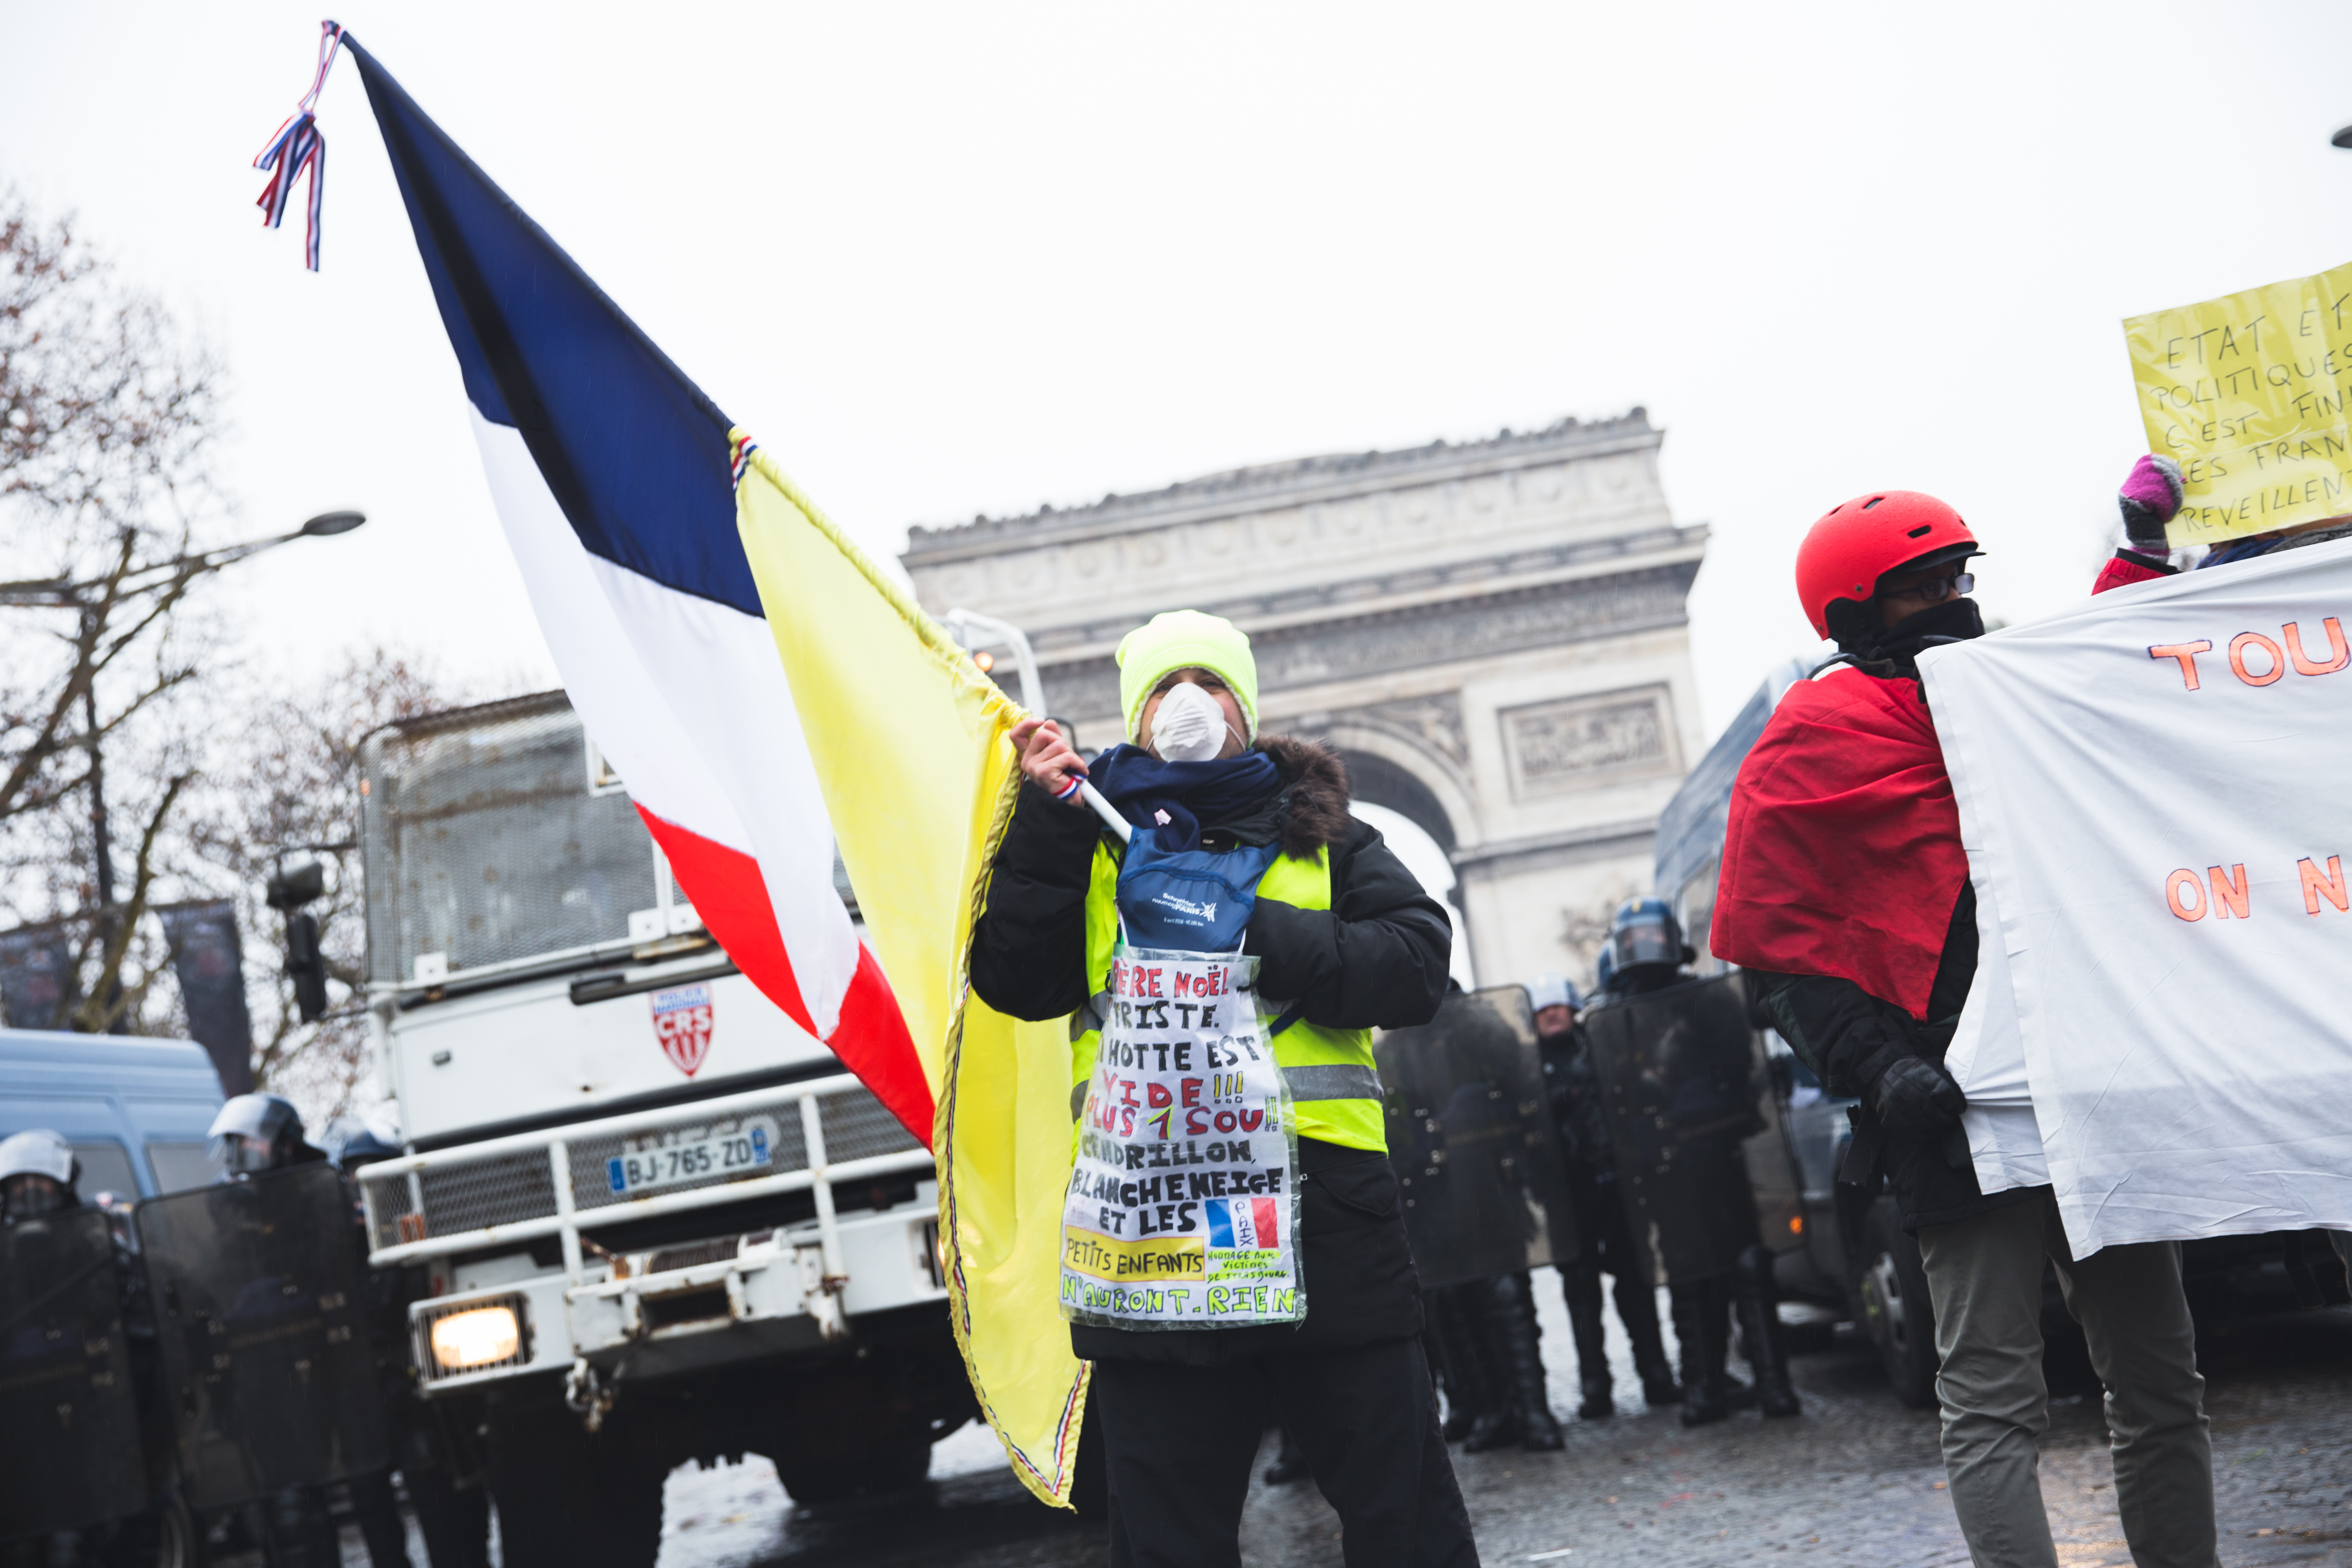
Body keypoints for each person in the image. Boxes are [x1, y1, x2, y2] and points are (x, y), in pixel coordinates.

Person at [1715, 479, 2218, 1568]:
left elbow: (2119, 665)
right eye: (1925, 586)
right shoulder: (1809, 739)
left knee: (2160, 1379)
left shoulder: (2001, 690)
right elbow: (1779, 956)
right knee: (1995, 1395)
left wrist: (2140, 549)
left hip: (2087, 1082)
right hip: (1944, 1106)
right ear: (1852, 614)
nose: (1956, 597)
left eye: (1959, 576)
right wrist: (1876, 1066)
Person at [969, 609, 1476, 1568]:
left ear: (1245, 707)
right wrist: (1040, 822)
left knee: (1402, 1519)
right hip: (1150, 1229)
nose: (1188, 704)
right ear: (1134, 710)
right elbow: (1012, 981)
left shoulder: (1330, 840)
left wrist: (1248, 932)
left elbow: (1416, 967)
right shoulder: (1085, 839)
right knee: (1170, 1544)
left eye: (1210, 682)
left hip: (1324, 1222)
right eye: (1165, 686)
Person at [1581, 901, 1798, 1426]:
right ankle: (1704, 1386)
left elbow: (1740, 1064)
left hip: (1720, 1151)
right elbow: (1604, 1099)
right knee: (1688, 1272)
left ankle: (1772, 1384)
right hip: (1664, 1165)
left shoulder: (1707, 999)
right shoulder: (1609, 1016)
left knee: (1746, 1265)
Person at [208, 1094, 374, 1568]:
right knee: (288, 1501)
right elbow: (219, 1280)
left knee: (365, 1486)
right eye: (234, 1145)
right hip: (268, 1369)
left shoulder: (322, 1193)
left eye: (250, 1144)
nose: (241, 1155)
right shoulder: (229, 1207)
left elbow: (337, 1268)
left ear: (283, 1146)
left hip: (334, 1360)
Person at [328, 1120, 492, 1568]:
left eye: (370, 1172)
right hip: (371, 1394)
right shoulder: (340, 1242)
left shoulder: (421, 1230)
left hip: (423, 1389)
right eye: (353, 1176)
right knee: (375, 1508)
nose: (361, 1187)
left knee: (445, 1500)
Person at [1530, 974, 1678, 1419]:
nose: (1552, 1013)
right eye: (1543, 1008)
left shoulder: (1600, 1049)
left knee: (1635, 1282)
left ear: (1573, 1009)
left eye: (1559, 1005)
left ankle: (1656, 1374)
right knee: (1580, 1293)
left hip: (1614, 1186)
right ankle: (1596, 1388)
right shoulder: (1528, 1067)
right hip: (1567, 1197)